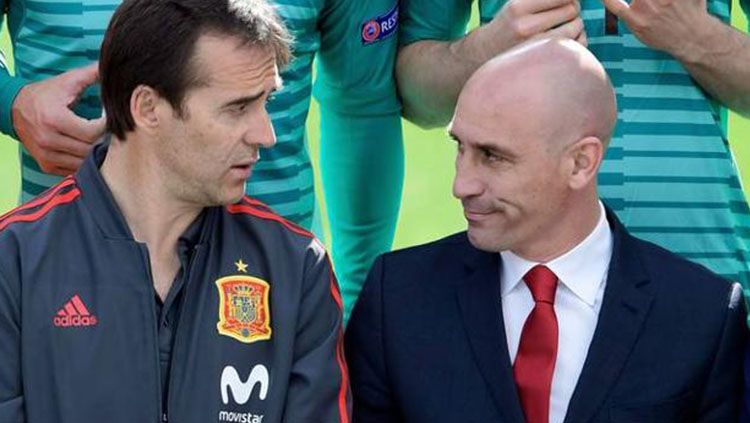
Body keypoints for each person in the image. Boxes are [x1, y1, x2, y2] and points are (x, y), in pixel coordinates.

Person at [346, 38, 747, 423]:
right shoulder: (397, 299)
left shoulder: (702, 316)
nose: (461, 185)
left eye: (492, 155)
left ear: (580, 163)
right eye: (459, 148)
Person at [0, 0, 350, 421]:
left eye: (266, 103)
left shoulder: (298, 270)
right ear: (147, 108)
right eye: (238, 108)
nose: (266, 134)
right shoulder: (13, 263)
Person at [0, 0, 403, 324]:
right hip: (65, 285)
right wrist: (11, 102)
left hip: (267, 291)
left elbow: (363, 107)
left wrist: (356, 310)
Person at [396, 0, 750, 302]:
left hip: (701, 271)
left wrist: (699, 39)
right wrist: (488, 49)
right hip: (518, 284)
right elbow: (413, 95)